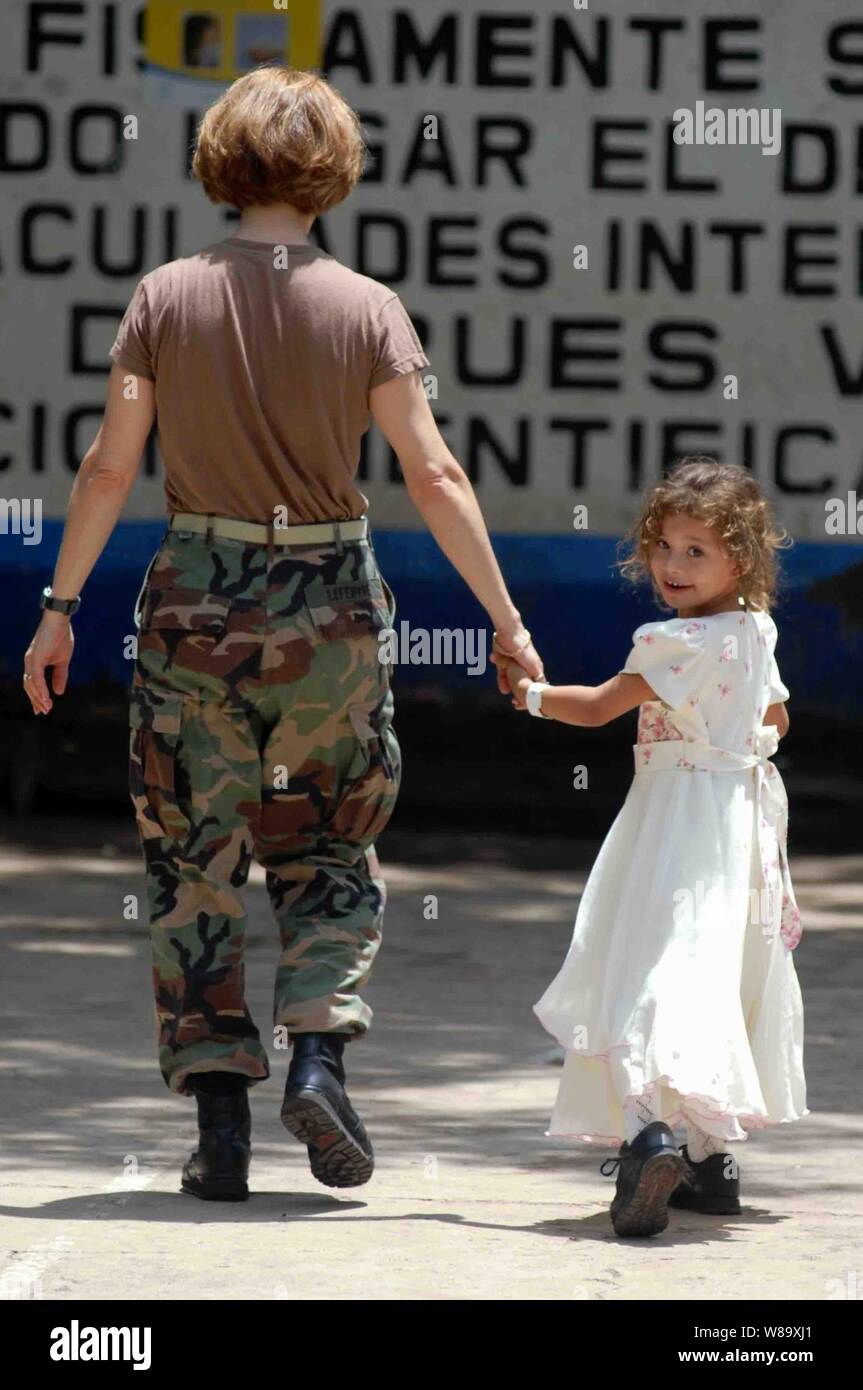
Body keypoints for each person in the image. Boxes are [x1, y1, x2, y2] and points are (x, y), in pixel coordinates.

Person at [22, 65, 544, 1201]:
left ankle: (219, 1129)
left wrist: (57, 611)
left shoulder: (164, 296)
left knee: (193, 857)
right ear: (332, 172)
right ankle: (316, 1054)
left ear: (220, 161)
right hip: (330, 607)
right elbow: (434, 470)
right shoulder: (368, 308)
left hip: (195, 603)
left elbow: (112, 464)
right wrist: (505, 621)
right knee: (329, 845)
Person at [499, 457, 806, 1238]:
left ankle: (650, 1138)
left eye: (695, 550)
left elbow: (600, 707)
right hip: (736, 825)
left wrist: (527, 695)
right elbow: (776, 723)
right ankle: (709, 1163)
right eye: (663, 546)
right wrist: (731, 742)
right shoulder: (755, 629)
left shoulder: (671, 641)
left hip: (673, 819)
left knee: (646, 961)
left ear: (740, 556)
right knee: (717, 966)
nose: (671, 564)